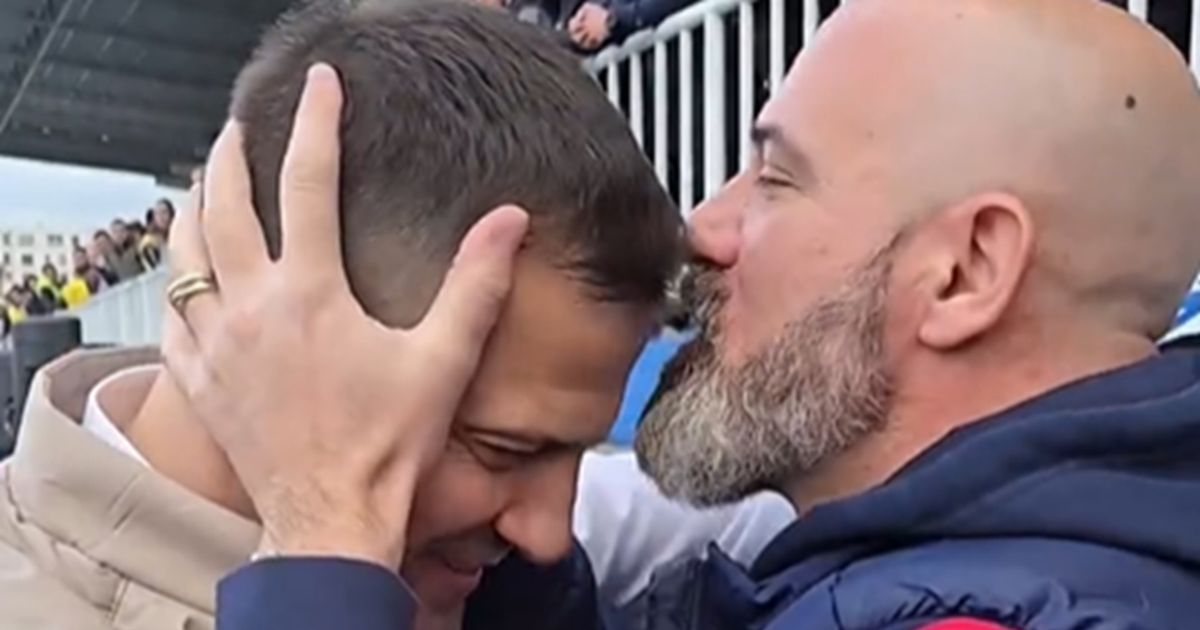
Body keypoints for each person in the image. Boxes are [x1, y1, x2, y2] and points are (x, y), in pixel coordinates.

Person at [161, 0, 1200, 629]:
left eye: (776, 179)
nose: (705, 226)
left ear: (965, 270)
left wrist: (325, 548)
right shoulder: (954, 568)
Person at [0, 3, 708, 629]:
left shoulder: (489, 573)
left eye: (572, 453)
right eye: (502, 450)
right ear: (279, 326)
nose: (550, 533)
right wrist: (328, 552)